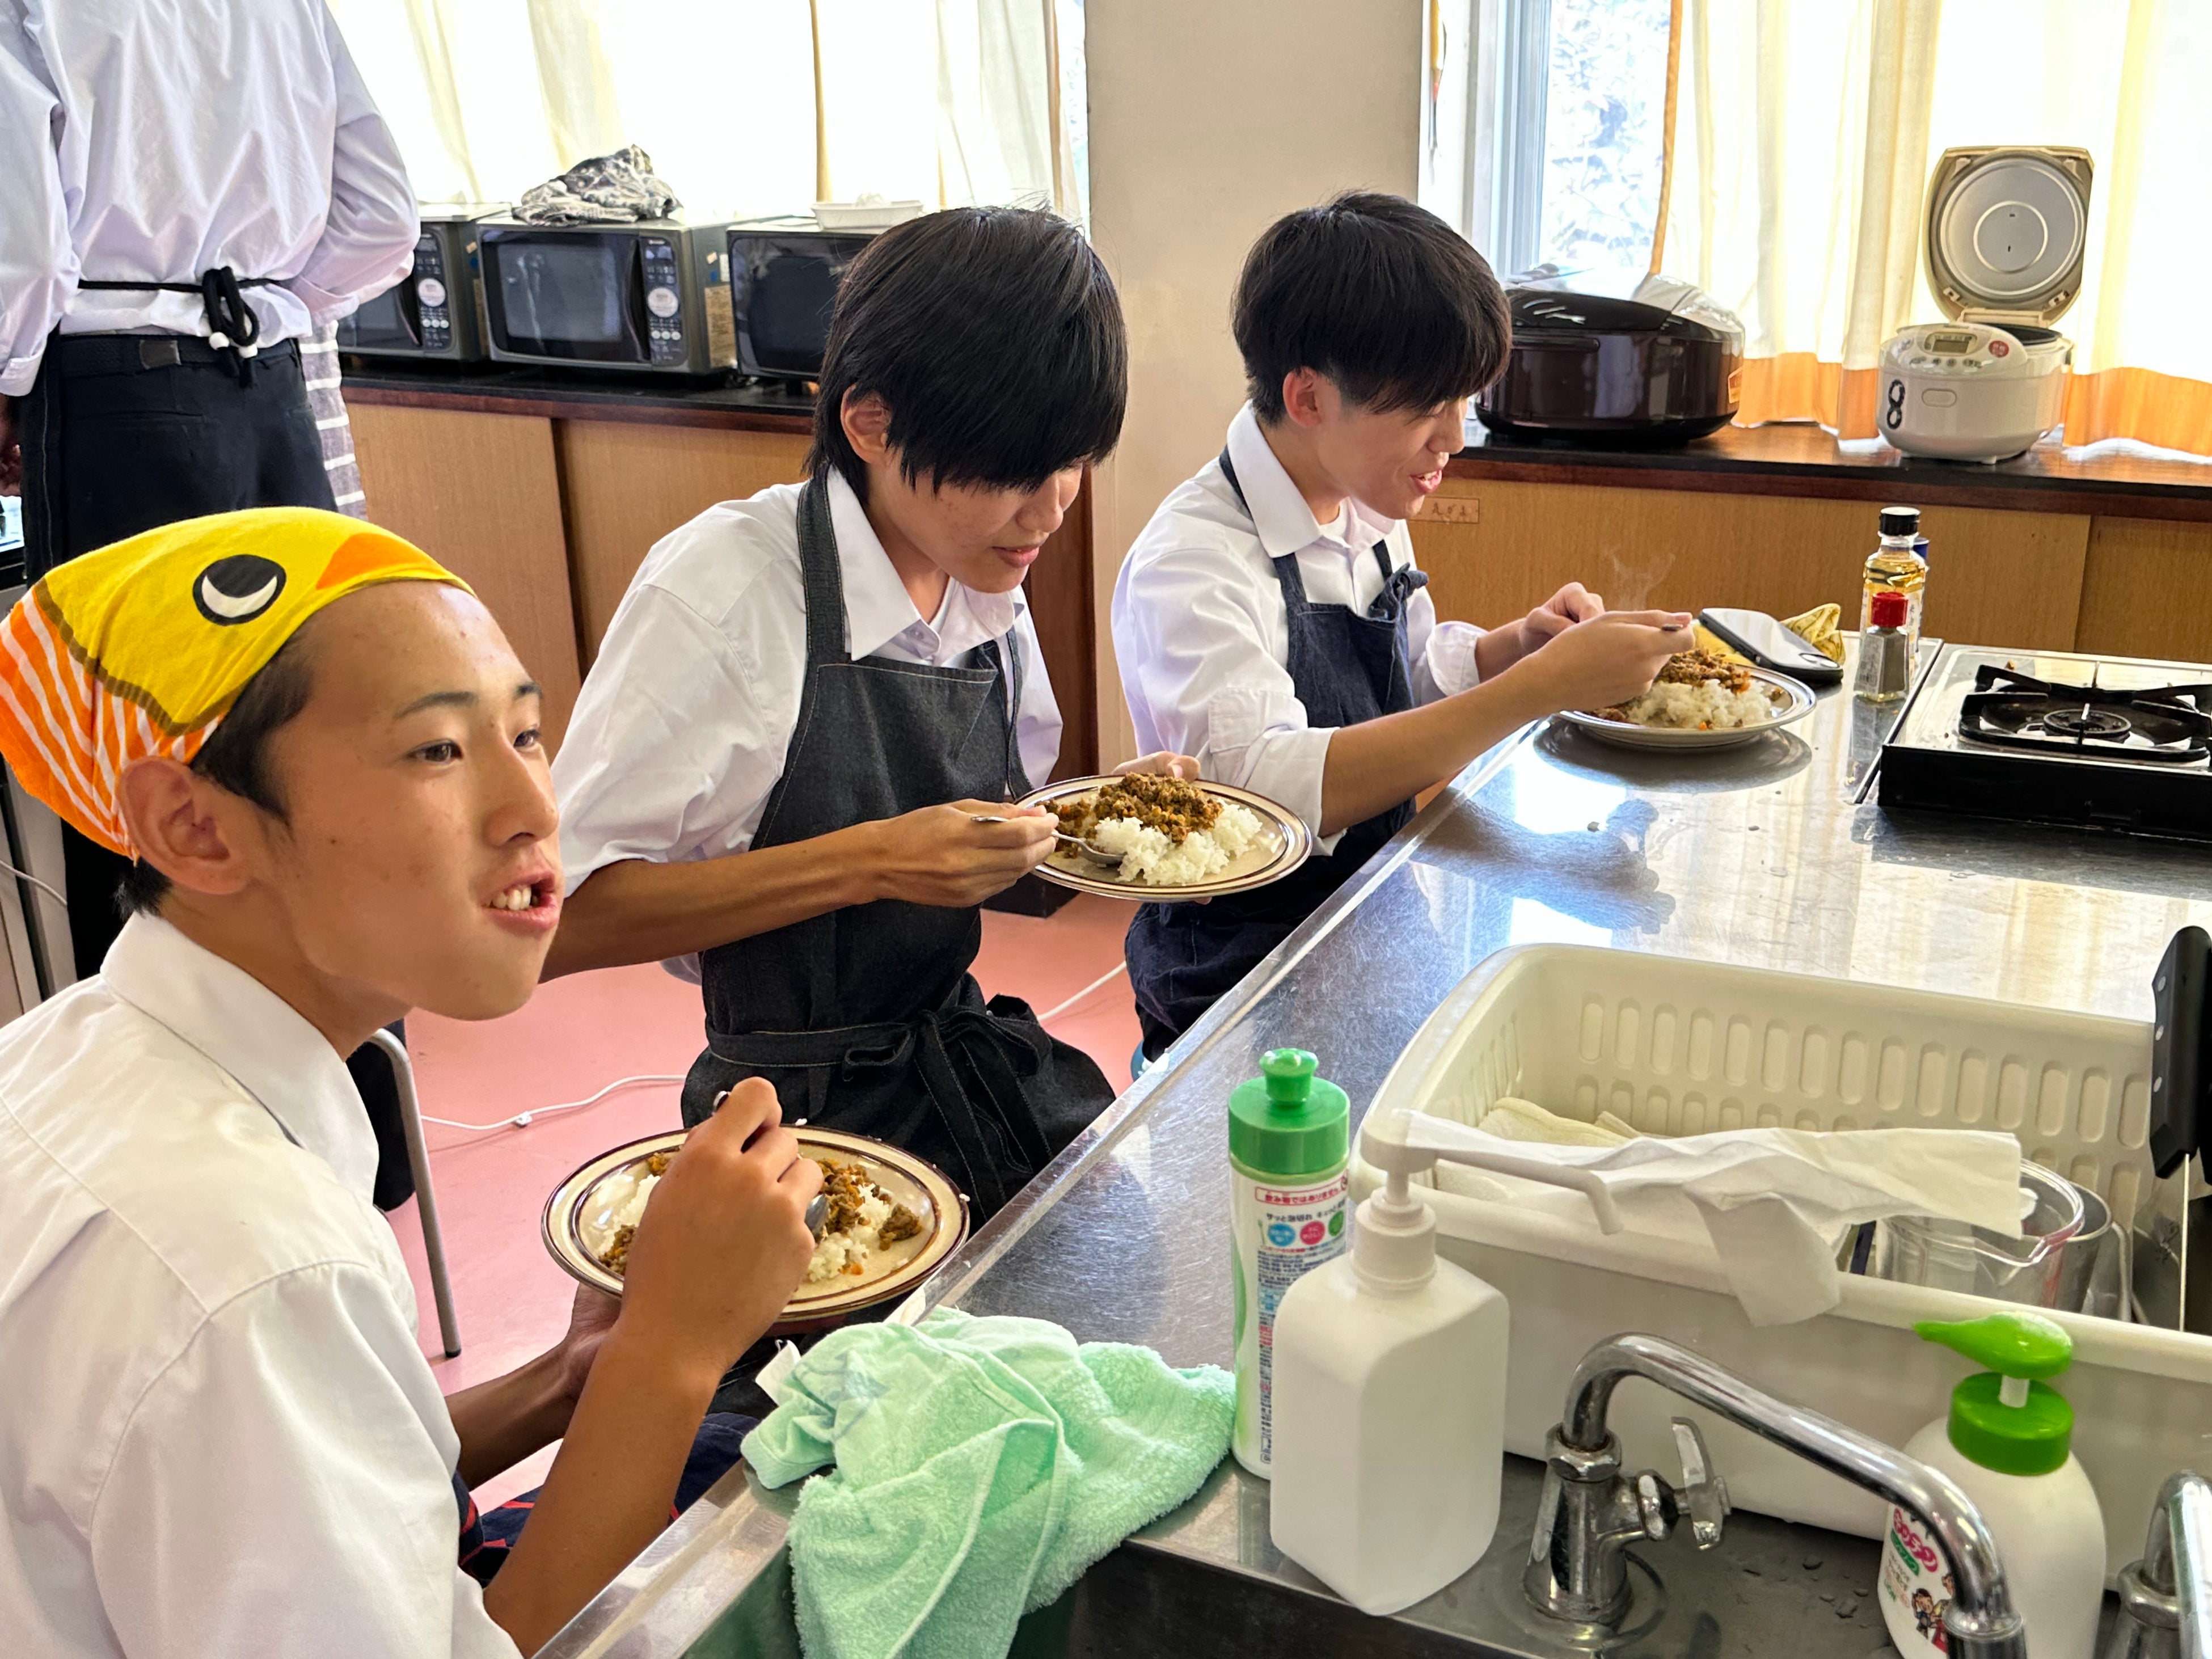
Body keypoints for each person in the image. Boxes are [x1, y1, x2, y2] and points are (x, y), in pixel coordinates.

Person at [0, 509, 824, 1657]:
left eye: (526, 734)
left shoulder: (70, 1044)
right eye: (437, 749)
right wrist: (671, 1348)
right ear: (194, 825)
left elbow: (318, 1473)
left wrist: (563, 1381)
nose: (536, 808)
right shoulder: (250, 1267)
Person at [549, 208, 1173, 1223]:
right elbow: (561, 922)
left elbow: (989, 818)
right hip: (787, 1125)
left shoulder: (981, 573)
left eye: (1073, 461)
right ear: (871, 423)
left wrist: (1111, 814)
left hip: (955, 1065)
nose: (1052, 508)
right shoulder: (727, 594)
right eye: (1013, 468)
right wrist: (872, 860)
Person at [1112, 193, 1691, 1059]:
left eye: (1462, 402)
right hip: (1239, 981)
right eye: (1426, 407)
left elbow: (1407, 676)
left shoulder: (1365, 500)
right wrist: (1541, 690)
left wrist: (1516, 650)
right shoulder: (1194, 561)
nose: (1453, 438)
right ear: (1307, 396)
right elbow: (1274, 794)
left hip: (1373, 918)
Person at [0, 0, 419, 977]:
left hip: (116, 396)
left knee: (138, 779)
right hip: (270, 395)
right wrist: (264, 307)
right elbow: (380, 213)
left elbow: (20, 239)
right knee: (304, 747)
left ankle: (182, 1100)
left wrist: (8, 378)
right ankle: (360, 1085)